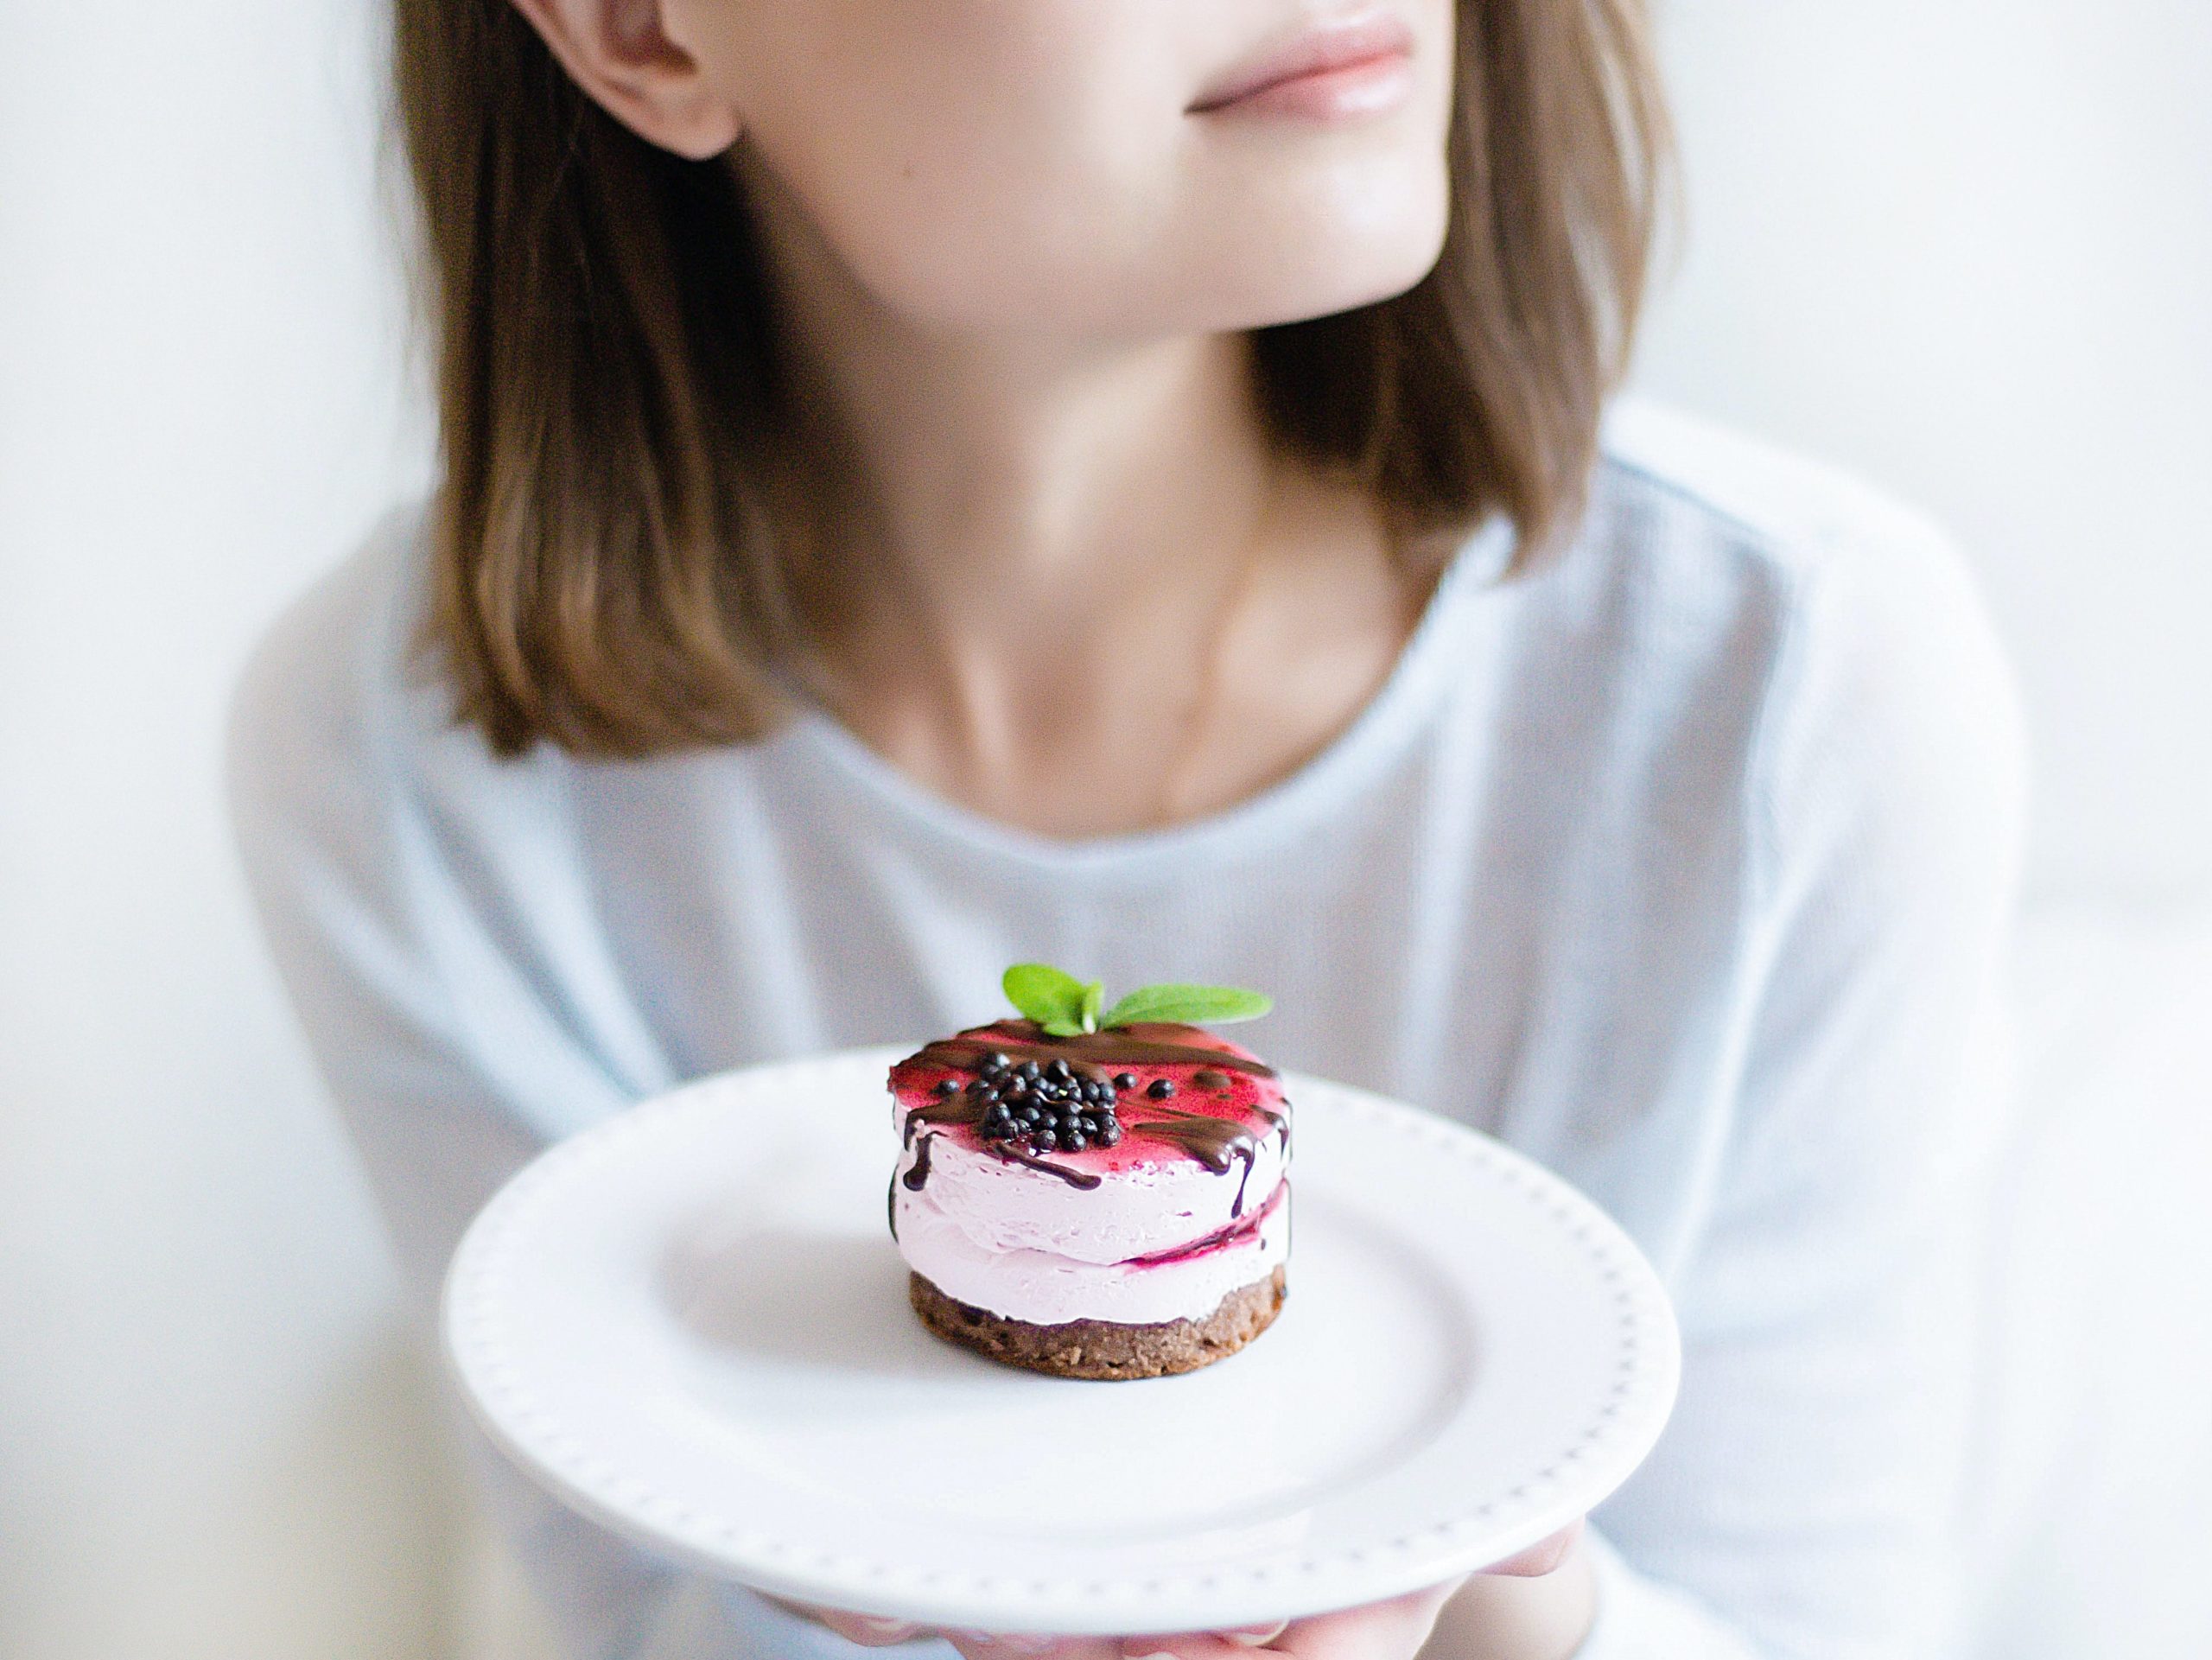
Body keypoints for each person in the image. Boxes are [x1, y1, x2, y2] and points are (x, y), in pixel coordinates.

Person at [226, 2, 2027, 1657]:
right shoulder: (406, 767)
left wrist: (1497, 1607)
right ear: (639, 25)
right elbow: (643, 1611)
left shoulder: (1783, 695)